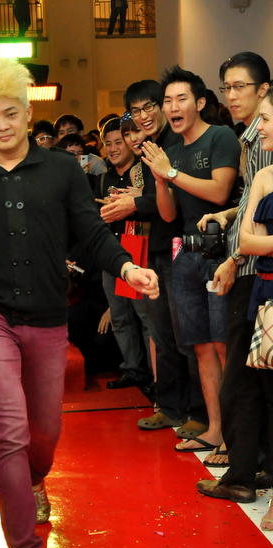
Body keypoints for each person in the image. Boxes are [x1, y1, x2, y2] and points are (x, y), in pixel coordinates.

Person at [0, 56, 159, 548]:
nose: (1, 125)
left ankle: (35, 478)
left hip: (46, 317)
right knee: (9, 432)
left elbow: (91, 233)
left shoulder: (63, 172)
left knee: (43, 434)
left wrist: (126, 268)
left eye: (10, 113)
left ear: (26, 111)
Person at [142, 66, 240, 453]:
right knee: (200, 347)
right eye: (167, 101)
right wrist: (160, 178)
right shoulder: (173, 151)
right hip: (185, 252)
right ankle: (215, 429)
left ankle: (239, 435)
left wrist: (170, 171)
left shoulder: (220, 136)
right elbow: (168, 214)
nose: (172, 107)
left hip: (219, 252)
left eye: (180, 99)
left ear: (199, 103)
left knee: (223, 345)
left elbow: (219, 192)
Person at [102, 80, 207, 435]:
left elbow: (174, 203)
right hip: (156, 247)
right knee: (162, 334)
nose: (143, 116)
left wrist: (135, 203)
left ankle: (198, 412)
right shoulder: (151, 147)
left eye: (149, 107)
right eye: (136, 111)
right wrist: (133, 201)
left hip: (181, 246)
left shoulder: (175, 144)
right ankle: (171, 407)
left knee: (186, 336)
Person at [196, 52, 273, 491]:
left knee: (241, 378)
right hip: (251, 267)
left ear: (263, 89)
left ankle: (241, 474)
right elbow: (252, 204)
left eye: (240, 86)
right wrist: (227, 215)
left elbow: (262, 222)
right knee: (256, 375)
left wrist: (232, 258)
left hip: (254, 272)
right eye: (226, 87)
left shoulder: (263, 136)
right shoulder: (250, 136)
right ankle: (260, 467)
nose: (231, 94)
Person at [95, 117, 153, 392]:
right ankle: (132, 370)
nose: (113, 148)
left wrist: (133, 201)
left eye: (119, 141)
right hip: (112, 252)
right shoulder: (103, 178)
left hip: (140, 248)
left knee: (146, 317)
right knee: (120, 317)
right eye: (108, 144)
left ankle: (155, 376)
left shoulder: (142, 172)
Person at [238, 88, 273, 527]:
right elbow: (247, 242)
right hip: (266, 298)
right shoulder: (264, 176)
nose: (258, 127)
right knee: (270, 396)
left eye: (264, 118)